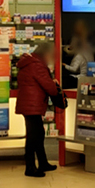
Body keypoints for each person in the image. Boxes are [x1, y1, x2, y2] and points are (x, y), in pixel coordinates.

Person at [14, 42, 60, 177]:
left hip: (29, 104)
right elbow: (49, 87)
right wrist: (54, 84)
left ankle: (42, 162)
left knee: (38, 134)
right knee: (34, 136)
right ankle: (30, 168)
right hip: (32, 105)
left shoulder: (28, 62)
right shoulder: (37, 65)